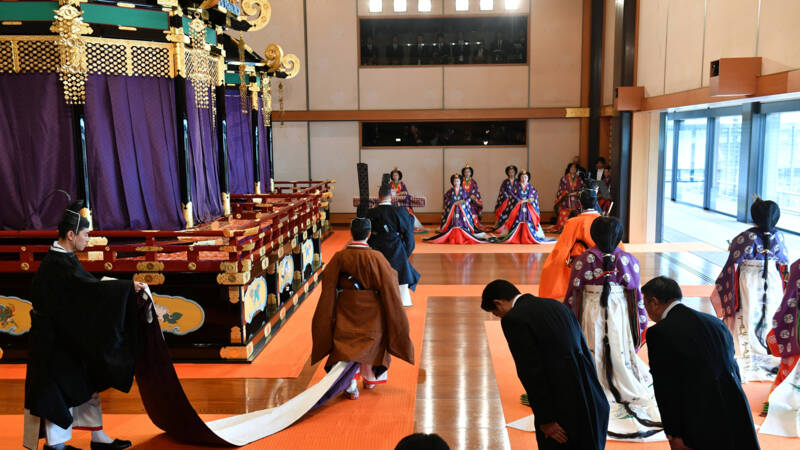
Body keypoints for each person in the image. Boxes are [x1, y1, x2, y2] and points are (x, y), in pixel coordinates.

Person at [23, 202, 144, 450]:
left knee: (92, 376)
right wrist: (126, 288)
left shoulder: (63, 258)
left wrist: (121, 289)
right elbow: (89, 290)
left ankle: (98, 437)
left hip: (67, 337)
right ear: (71, 235)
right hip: (53, 347)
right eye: (86, 234)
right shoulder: (57, 265)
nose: (88, 239)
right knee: (63, 388)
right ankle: (56, 446)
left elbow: (87, 288)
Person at [564, 217, 663, 439]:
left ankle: (595, 382)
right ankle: (623, 381)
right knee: (618, 345)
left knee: (593, 343)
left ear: (594, 235)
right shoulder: (628, 260)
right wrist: (638, 319)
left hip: (591, 309)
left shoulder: (583, 260)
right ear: (618, 236)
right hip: (618, 310)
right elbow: (636, 295)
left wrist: (570, 319)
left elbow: (573, 293)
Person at [481, 280, 609, 449]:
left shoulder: (514, 319)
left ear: (498, 303)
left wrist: (546, 419)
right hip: (589, 392)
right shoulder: (556, 305)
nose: (500, 318)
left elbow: (531, 371)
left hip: (560, 403)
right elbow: (583, 349)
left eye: (497, 314)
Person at [643, 276, 760, 450]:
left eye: (645, 304)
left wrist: (673, 434)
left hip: (699, 414)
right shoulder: (714, 322)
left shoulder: (658, 333)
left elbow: (665, 388)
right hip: (734, 405)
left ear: (654, 302)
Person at [311, 218, 414, 400]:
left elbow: (328, 284)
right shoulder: (377, 258)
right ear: (368, 234)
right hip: (372, 313)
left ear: (351, 233)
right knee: (374, 344)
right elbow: (390, 284)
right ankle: (370, 378)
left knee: (345, 345)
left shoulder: (339, 257)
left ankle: (349, 384)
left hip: (346, 309)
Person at [711, 199, 789, 383]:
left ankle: (747, 354)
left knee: (746, 314)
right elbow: (784, 263)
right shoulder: (779, 237)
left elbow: (731, 264)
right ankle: (769, 351)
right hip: (772, 281)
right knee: (769, 315)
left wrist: (724, 286)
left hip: (749, 280)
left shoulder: (745, 237)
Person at [538, 185, 604, 299]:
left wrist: (550, 266)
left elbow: (562, 248)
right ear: (595, 203)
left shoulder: (574, 222)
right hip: (603, 265)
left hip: (581, 265)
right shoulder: (604, 221)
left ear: (580, 204)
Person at [367, 181, 420, 307]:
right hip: (396, 250)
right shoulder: (400, 211)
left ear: (379, 197)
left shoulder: (371, 213)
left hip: (376, 249)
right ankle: (403, 301)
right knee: (402, 273)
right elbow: (409, 238)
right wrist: (404, 254)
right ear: (391, 197)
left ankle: (376, 300)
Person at [425, 174, 487, 244]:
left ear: (460, 182)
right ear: (453, 182)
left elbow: (467, 200)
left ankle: (463, 234)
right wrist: (453, 203)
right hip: (453, 211)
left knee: (463, 223)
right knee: (452, 223)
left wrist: (460, 203)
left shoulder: (464, 191)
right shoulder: (450, 192)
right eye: (455, 181)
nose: (456, 183)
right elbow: (446, 199)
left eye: (457, 181)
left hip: (461, 212)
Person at [494, 170, 547, 244]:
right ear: (520, 178)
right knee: (515, 219)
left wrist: (531, 199)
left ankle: (530, 235)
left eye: (526, 177)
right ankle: (516, 235)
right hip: (518, 207)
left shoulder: (531, 187)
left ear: (528, 178)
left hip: (528, 207)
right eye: (522, 177)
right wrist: (519, 201)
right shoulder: (516, 187)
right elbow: (512, 196)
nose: (524, 178)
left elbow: (534, 195)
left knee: (530, 219)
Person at [550, 162, 585, 232]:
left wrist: (577, 193)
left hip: (576, 199)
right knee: (564, 212)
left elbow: (582, 189)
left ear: (577, 170)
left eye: (574, 168)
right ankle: (563, 228)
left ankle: (577, 229)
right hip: (566, 200)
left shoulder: (580, 179)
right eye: (571, 168)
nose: (573, 169)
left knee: (579, 212)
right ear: (569, 169)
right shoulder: (564, 178)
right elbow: (561, 189)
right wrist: (565, 193)